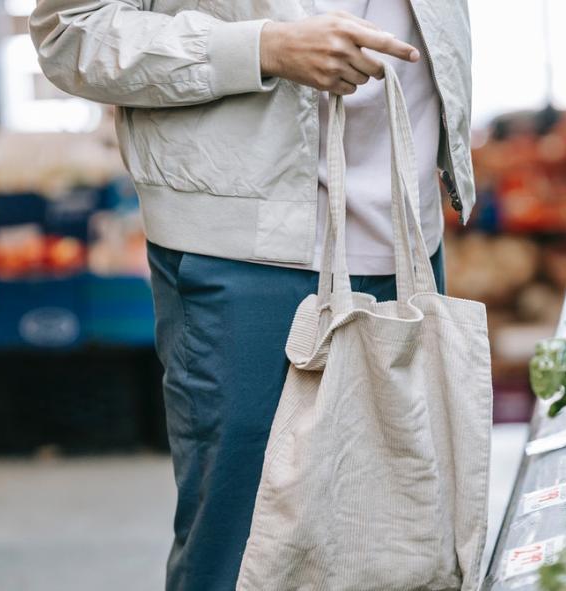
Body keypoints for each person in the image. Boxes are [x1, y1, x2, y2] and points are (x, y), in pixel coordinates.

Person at [29, 1, 473, 590]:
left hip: (408, 237)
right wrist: (262, 49)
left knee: (401, 547)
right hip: (246, 254)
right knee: (239, 553)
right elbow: (70, 30)